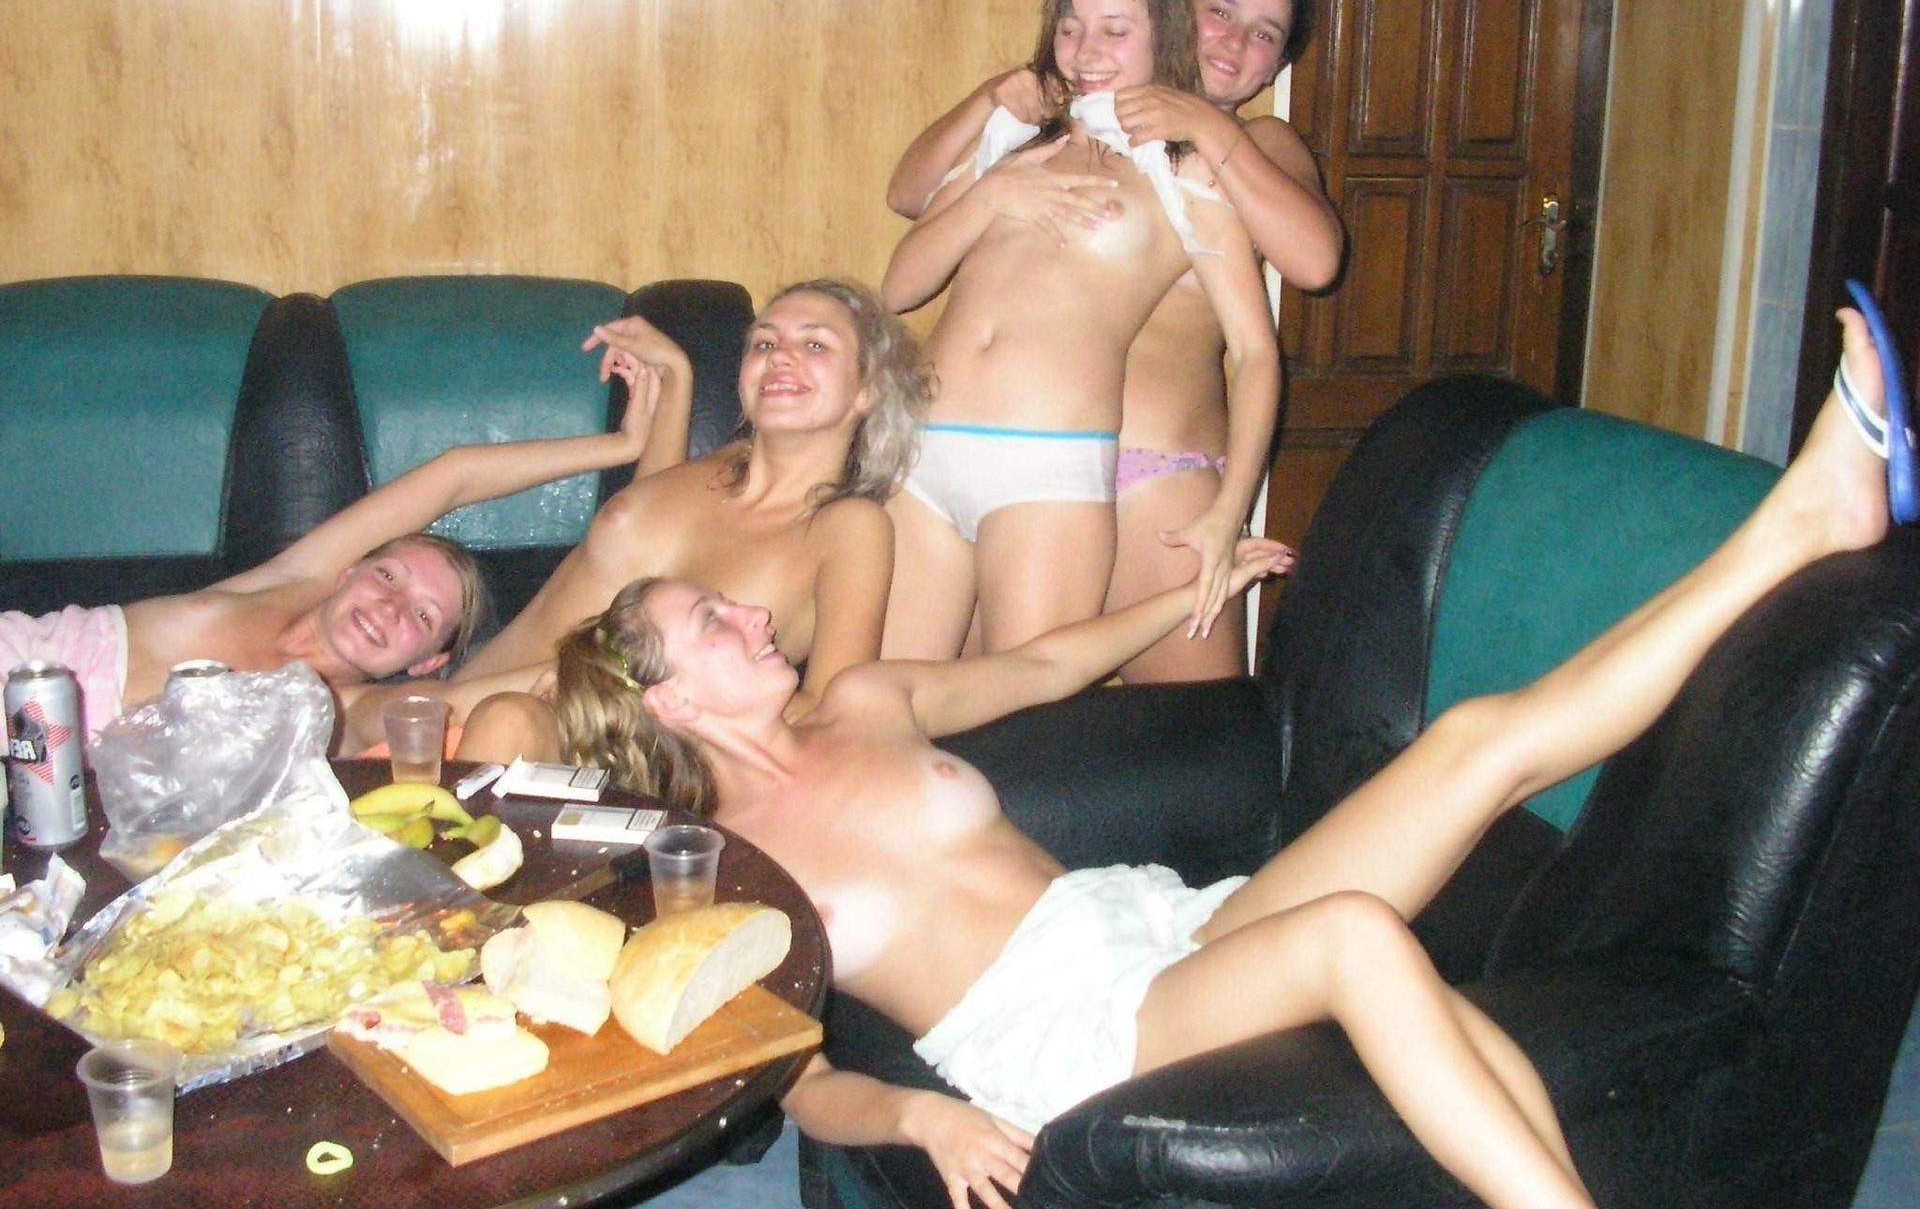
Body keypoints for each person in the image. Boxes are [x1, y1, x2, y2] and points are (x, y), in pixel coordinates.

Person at [548, 302, 1899, 1209]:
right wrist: (921, 1120)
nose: (751, 613)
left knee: (1477, 743)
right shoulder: (722, 864)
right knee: (1355, 939)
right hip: (1069, 1039)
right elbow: (800, 1086)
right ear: (669, 703)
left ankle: (1799, 526)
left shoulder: (867, 700)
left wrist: (1196, 591)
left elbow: (1046, 667)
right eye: (713, 623)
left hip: (1158, 928)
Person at [889, 0, 1342, 680]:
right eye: (1219, 12)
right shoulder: (1051, 130)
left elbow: (1315, 264)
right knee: (956, 700)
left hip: (1150, 478)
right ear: (1175, 14)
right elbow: (911, 201)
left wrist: (1209, 126)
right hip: (998, 447)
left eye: (1263, 35)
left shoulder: (1249, 148)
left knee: (1178, 724)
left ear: (1275, 68)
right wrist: (992, 100)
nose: (1233, 42)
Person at [339, 278, 932, 764]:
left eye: (816, 345)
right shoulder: (715, 469)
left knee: (501, 720)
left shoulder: (849, 528)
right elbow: (646, 546)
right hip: (446, 702)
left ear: (868, 390)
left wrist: (625, 681)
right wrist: (675, 377)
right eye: (764, 343)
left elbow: (835, 711)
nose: (780, 357)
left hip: (569, 744)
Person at [0, 320, 685, 739]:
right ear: (348, 570)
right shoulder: (285, 581)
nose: (389, 606)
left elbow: (467, 699)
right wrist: (619, 445)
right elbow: (455, 473)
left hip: (50, 796)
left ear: (425, 662)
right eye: (386, 575)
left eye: (423, 616)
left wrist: (634, 669)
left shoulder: (345, 711)